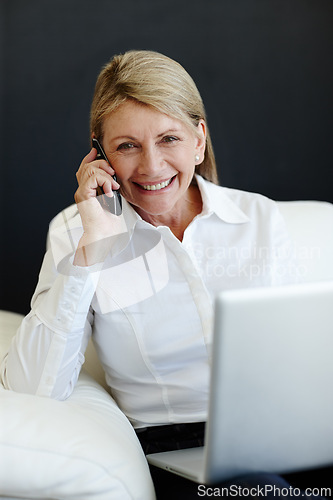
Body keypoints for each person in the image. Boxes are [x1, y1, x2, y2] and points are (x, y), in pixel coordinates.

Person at [0, 50, 324, 499]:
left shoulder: (259, 219)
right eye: (127, 146)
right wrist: (93, 246)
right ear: (99, 154)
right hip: (179, 456)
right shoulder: (75, 232)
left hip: (286, 436)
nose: (151, 167)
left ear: (199, 138)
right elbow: (33, 386)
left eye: (169, 138)